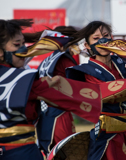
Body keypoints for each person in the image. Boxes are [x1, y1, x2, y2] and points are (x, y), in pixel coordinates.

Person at [0, 19, 105, 160]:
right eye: (17, 45)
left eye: (24, 43)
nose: (24, 49)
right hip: (22, 153)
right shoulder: (25, 80)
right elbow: (77, 96)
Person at [65, 21, 126, 160]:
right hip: (105, 136)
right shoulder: (86, 72)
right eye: (96, 38)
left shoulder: (120, 62)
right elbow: (112, 92)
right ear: (87, 45)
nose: (103, 41)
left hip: (123, 132)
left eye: (106, 36)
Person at [35, 26, 79, 155]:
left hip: (44, 113)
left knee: (50, 152)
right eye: (76, 42)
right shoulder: (64, 59)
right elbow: (78, 85)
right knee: (67, 152)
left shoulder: (47, 60)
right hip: (59, 113)